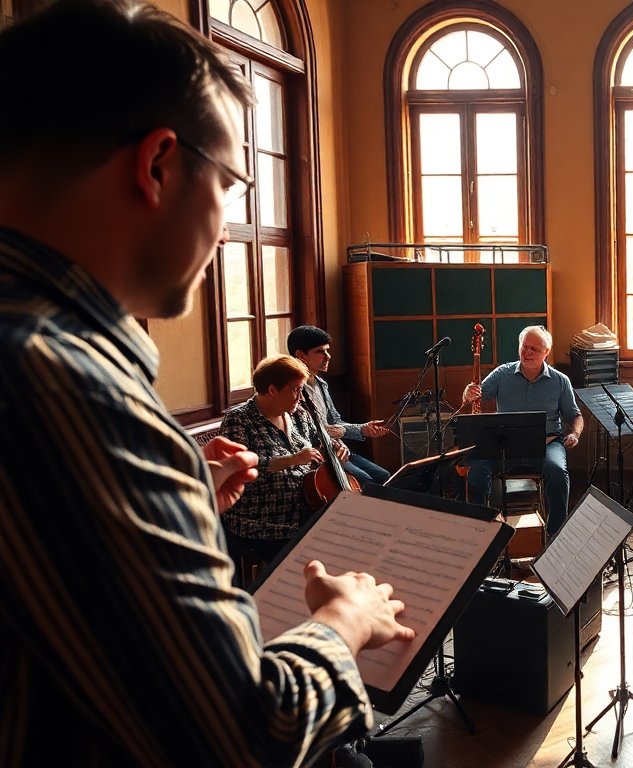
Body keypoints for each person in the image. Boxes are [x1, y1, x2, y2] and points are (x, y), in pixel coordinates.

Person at [0, 2, 413, 764]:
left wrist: (174, 486)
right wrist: (345, 624)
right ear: (158, 165)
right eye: (230, 184)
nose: (227, 226)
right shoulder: (66, 386)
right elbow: (247, 734)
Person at [462, 325, 582, 536]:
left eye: (534, 349)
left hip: (546, 443)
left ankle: (555, 536)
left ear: (546, 353)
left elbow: (575, 415)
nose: (527, 352)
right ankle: (480, 533)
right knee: (477, 471)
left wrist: (575, 433)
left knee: (557, 471)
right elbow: (476, 397)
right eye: (524, 346)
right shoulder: (502, 374)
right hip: (503, 446)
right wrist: (467, 393)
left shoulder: (560, 381)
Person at [220, 354, 327, 571]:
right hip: (264, 524)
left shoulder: (299, 416)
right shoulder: (239, 419)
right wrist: (292, 460)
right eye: (295, 389)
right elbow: (238, 468)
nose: (300, 396)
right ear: (272, 390)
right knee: (317, 559)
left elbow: (319, 445)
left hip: (306, 512)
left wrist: (334, 448)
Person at [288, 324, 392, 486]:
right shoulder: (293, 390)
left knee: (385, 476)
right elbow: (305, 432)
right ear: (301, 356)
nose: (328, 356)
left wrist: (363, 428)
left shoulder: (321, 384)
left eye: (327, 350)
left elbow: (335, 422)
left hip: (340, 449)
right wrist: (338, 438)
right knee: (368, 483)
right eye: (320, 351)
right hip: (323, 454)